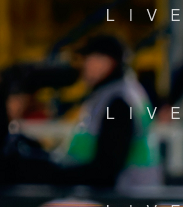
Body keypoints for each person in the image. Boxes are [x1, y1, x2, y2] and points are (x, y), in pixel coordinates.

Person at [8, 35, 163, 189]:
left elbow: (106, 171)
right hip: (129, 196)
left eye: (87, 58)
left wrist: (52, 174)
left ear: (106, 62)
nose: (82, 65)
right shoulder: (119, 93)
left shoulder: (118, 101)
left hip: (123, 196)